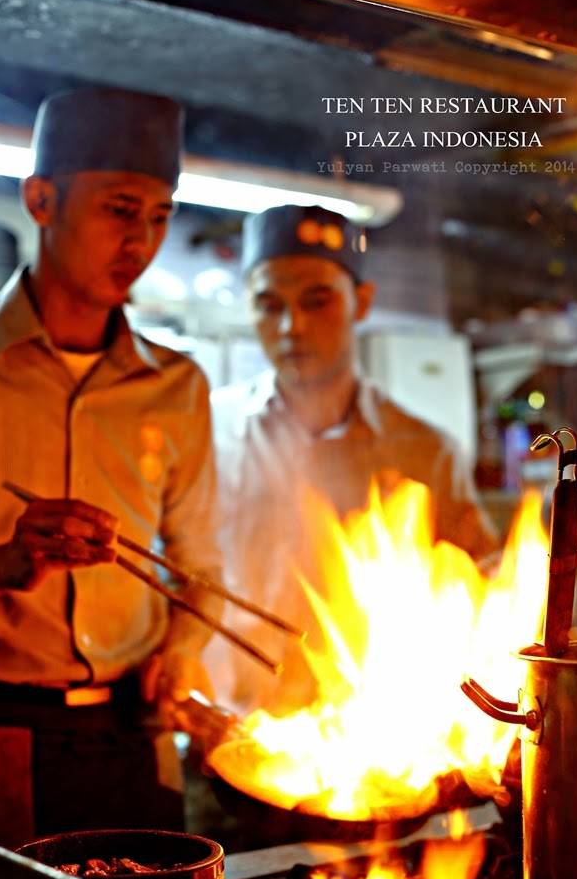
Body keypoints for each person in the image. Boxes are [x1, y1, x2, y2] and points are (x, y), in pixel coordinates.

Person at [0, 85, 223, 847]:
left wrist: (183, 649)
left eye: (161, 216)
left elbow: (199, 565)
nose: (141, 241)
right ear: (41, 199)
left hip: (131, 739)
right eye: (119, 209)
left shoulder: (177, 384)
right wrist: (5, 563)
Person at [206, 204, 500, 719]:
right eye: (269, 304)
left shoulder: (424, 450)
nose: (291, 326)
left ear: (361, 302)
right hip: (235, 729)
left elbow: (481, 582)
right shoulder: (210, 432)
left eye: (316, 301)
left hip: (371, 748)